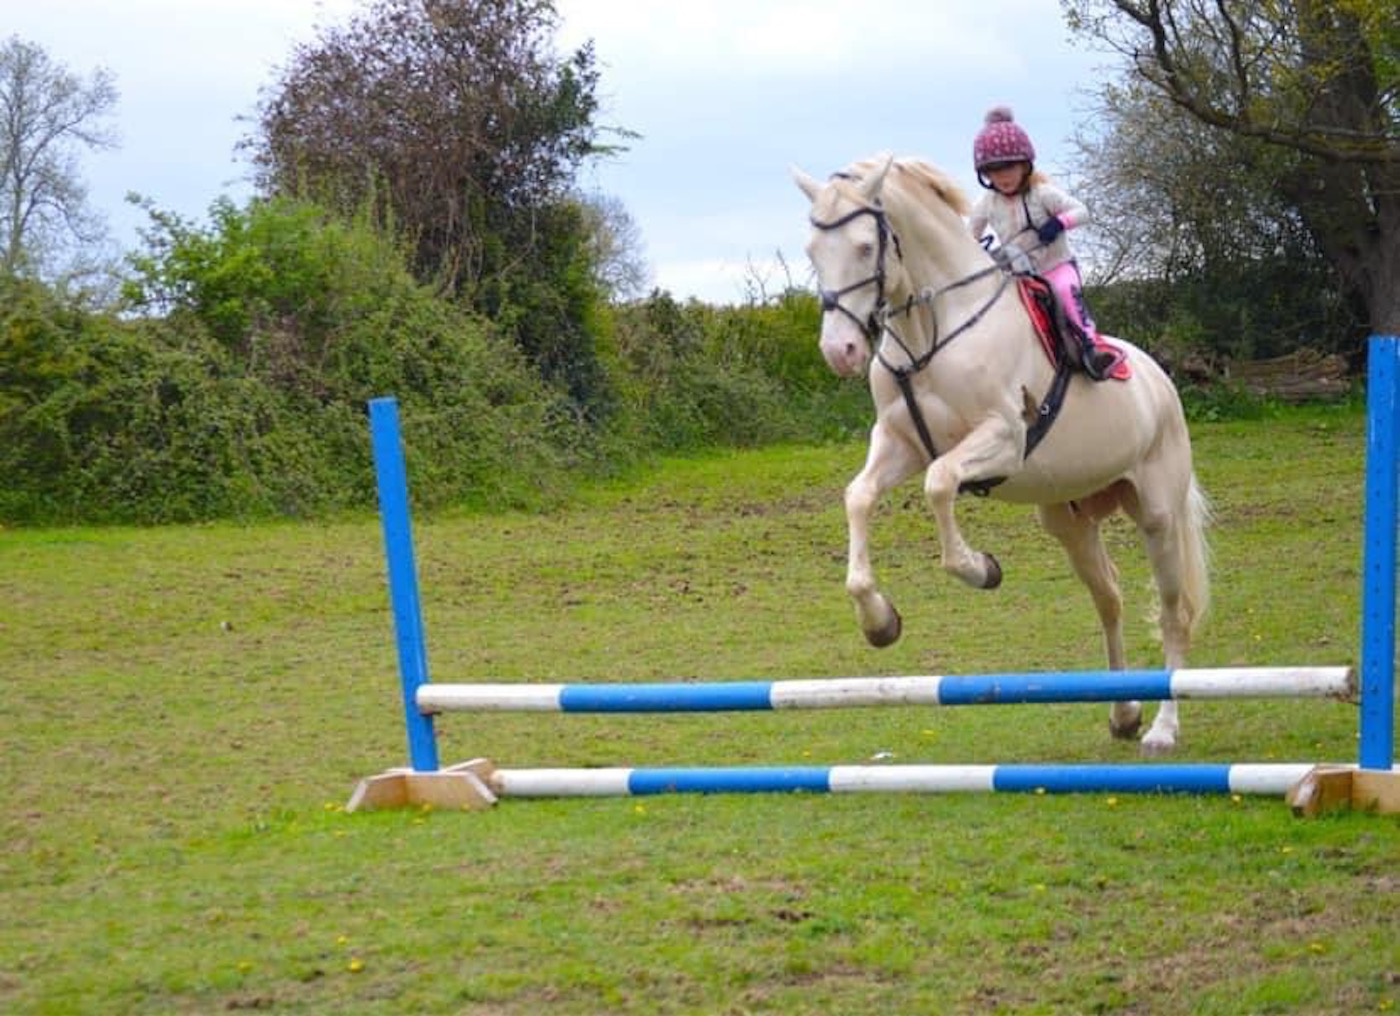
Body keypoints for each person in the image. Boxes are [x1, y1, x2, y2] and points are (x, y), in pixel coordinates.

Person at [967, 106, 1120, 380]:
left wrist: (1059, 223)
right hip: (1018, 276)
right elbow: (969, 237)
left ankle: (1091, 348)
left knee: (1064, 292)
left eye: (1009, 167)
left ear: (1025, 165)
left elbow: (1082, 211)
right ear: (985, 173)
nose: (1002, 176)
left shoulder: (1042, 194)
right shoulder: (986, 203)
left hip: (1057, 267)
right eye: (993, 170)